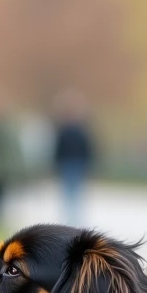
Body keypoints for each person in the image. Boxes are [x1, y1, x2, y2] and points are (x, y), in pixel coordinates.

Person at [51, 89, 97, 226]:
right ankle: (71, 219)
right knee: (69, 193)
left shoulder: (80, 129)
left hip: (76, 164)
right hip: (69, 163)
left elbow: (88, 148)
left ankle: (74, 219)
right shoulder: (68, 129)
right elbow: (58, 148)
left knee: (74, 193)